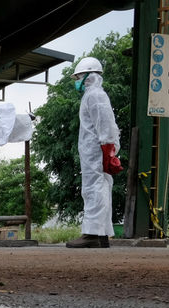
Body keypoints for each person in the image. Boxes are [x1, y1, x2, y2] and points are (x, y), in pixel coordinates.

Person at [67, 57, 122, 249]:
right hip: (98, 150)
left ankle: (92, 234)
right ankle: (101, 234)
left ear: (88, 76)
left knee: (93, 189)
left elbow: (105, 125)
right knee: (102, 188)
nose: (77, 81)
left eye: (79, 77)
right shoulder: (95, 95)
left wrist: (107, 150)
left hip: (96, 151)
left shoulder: (95, 96)